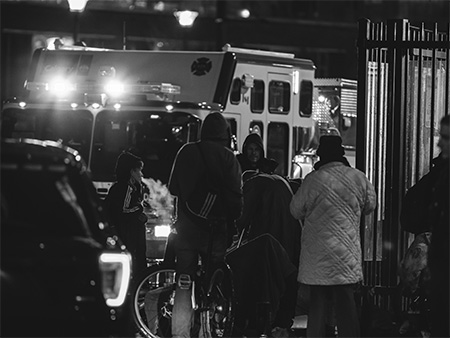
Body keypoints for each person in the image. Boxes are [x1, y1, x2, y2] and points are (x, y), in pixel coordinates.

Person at [290, 135, 376, 338]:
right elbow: (371, 205)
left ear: (322, 155)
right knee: (346, 303)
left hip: (317, 257)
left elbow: (295, 210)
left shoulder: (313, 180)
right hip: (345, 255)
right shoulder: (358, 178)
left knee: (317, 303)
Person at [168, 112, 243, 338]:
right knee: (214, 278)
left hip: (187, 229)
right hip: (215, 231)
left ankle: (179, 333)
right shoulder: (229, 158)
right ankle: (207, 328)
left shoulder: (186, 151)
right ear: (226, 134)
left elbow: (173, 188)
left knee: (183, 284)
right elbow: (236, 199)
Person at [235, 171, 302, 337]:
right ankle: (280, 322)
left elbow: (242, 217)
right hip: (288, 237)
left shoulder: (252, 184)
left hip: (268, 236)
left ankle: (259, 321)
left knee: (265, 276)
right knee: (284, 274)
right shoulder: (281, 182)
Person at [104, 151, 148, 277]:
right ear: (131, 171)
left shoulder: (129, 188)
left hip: (126, 232)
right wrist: (139, 210)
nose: (141, 174)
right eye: (139, 170)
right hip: (128, 232)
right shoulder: (126, 188)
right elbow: (123, 209)